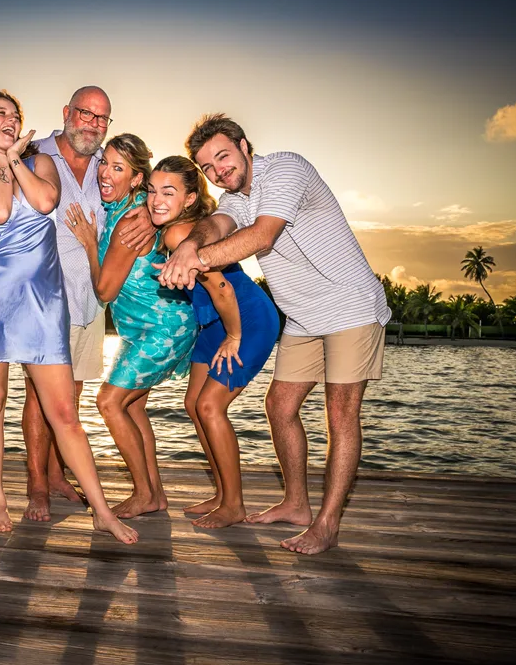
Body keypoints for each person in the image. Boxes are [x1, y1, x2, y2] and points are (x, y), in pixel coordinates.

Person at [158, 114, 391, 554]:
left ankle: (327, 524)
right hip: (302, 316)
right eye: (208, 167)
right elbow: (215, 225)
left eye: (223, 156)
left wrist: (194, 262)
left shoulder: (285, 169)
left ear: (245, 146)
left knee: (340, 415)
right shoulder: (234, 198)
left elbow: (262, 237)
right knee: (279, 406)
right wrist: (189, 245)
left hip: (350, 306)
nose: (218, 170)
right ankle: (297, 504)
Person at [0, 87, 154, 522]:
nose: (92, 124)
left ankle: (59, 477)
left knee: (67, 402)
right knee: (22, 400)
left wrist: (153, 218)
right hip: (19, 296)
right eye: (85, 113)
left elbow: (142, 188)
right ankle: (36, 486)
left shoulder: (104, 165)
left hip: (84, 297)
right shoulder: (38, 153)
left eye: (101, 118)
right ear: (67, 113)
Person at [66, 134, 196, 519]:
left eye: (118, 168)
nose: (105, 173)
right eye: (104, 163)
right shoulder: (131, 208)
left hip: (161, 326)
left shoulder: (131, 219)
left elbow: (105, 290)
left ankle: (144, 493)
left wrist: (89, 244)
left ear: (136, 178)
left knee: (108, 402)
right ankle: (155, 493)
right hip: (139, 329)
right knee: (134, 408)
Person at [149, 156, 280, 528]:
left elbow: (222, 287)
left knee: (209, 406)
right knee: (193, 404)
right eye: (152, 191)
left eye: (168, 192)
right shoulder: (179, 228)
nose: (157, 200)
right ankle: (223, 493)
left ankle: (234, 504)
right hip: (214, 323)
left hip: (245, 319)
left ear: (190, 199)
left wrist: (235, 336)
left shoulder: (179, 234)